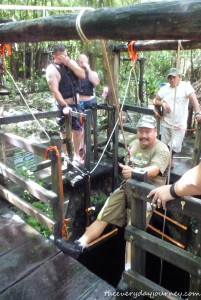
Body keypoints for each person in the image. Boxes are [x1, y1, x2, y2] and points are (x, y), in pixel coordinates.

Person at [56, 115, 170, 261]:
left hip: (147, 194)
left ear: (155, 131)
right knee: (103, 215)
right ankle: (78, 246)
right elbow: (128, 164)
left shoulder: (162, 149)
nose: (144, 135)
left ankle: (129, 272)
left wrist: (133, 172)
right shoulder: (134, 144)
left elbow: (154, 170)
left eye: (148, 131)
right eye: (141, 131)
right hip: (126, 188)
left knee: (133, 231)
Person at [153, 67, 201, 167]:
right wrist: (163, 104)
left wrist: (198, 113)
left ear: (179, 77)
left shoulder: (186, 87)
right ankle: (167, 164)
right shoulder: (164, 88)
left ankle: (166, 162)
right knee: (165, 145)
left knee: (174, 146)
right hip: (166, 122)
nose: (172, 79)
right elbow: (154, 100)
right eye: (169, 77)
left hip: (179, 124)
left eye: (174, 77)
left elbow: (194, 101)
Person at [46, 43, 85, 163]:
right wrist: (64, 106)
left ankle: (77, 154)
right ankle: (66, 155)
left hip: (77, 104)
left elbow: (82, 75)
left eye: (66, 55)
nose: (64, 58)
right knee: (64, 131)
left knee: (78, 130)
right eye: (61, 56)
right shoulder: (52, 70)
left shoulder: (70, 63)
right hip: (63, 104)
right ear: (54, 56)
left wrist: (69, 63)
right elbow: (55, 91)